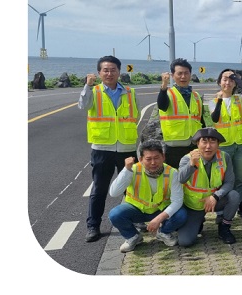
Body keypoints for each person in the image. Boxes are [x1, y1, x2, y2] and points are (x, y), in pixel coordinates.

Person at [78, 55, 139, 243]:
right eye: (105, 70)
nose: (109, 73)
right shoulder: (93, 91)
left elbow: (134, 115)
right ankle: (93, 226)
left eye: (113, 69)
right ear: (99, 73)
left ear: (119, 72)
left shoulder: (130, 92)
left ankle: (135, 221)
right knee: (99, 189)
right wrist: (87, 86)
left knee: (131, 189)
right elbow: (83, 105)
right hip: (102, 147)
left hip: (126, 147)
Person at [107, 140, 188, 252]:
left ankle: (164, 232)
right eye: (148, 159)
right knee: (115, 214)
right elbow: (113, 193)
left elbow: (177, 201)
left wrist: (159, 219)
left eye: (156, 158)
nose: (153, 162)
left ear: (163, 157)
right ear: (141, 159)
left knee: (181, 215)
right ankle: (133, 237)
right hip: (137, 210)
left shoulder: (172, 172)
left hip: (161, 210)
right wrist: (126, 170)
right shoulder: (133, 169)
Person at [177, 128, 242, 245]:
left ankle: (224, 228)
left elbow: (229, 182)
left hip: (215, 201)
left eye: (212, 142)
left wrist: (215, 196)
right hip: (194, 206)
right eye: (204, 142)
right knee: (185, 242)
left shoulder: (224, 157)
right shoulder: (187, 158)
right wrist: (191, 164)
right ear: (198, 143)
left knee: (234, 196)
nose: (208, 146)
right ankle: (199, 221)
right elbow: (180, 179)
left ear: (218, 145)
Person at [207, 69, 242, 221]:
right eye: (224, 79)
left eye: (231, 80)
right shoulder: (212, 102)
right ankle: (223, 211)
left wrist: (236, 77)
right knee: (224, 180)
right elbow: (215, 117)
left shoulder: (239, 100)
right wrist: (220, 100)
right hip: (223, 146)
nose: (227, 82)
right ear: (219, 82)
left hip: (240, 143)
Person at [158, 58, 206, 169]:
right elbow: (162, 105)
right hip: (174, 148)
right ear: (173, 75)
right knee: (174, 180)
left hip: (194, 146)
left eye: (186, 73)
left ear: (190, 74)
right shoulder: (168, 93)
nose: (183, 77)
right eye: (179, 73)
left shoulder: (196, 96)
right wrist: (164, 86)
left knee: (193, 179)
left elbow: (201, 120)